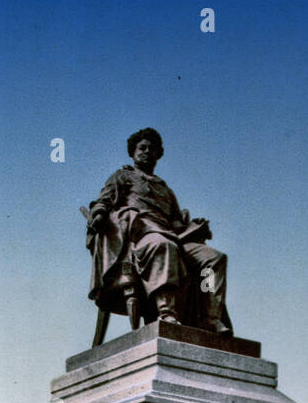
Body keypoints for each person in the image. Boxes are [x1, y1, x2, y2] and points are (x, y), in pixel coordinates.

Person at [86, 128, 231, 333]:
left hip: (172, 235)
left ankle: (210, 317)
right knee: (164, 245)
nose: (146, 151)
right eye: (141, 148)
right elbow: (103, 201)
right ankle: (166, 313)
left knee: (214, 259)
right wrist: (99, 215)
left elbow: (177, 224)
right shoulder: (122, 177)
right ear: (133, 153)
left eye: (151, 149)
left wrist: (196, 228)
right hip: (140, 235)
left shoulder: (165, 189)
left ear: (158, 154)